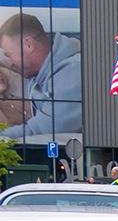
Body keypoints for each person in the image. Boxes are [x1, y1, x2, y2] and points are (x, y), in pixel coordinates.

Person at [0, 12, 82, 142]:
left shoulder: (72, 73)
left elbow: (40, 131)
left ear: (28, 44)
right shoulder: (40, 68)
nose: (10, 63)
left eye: (9, 55)